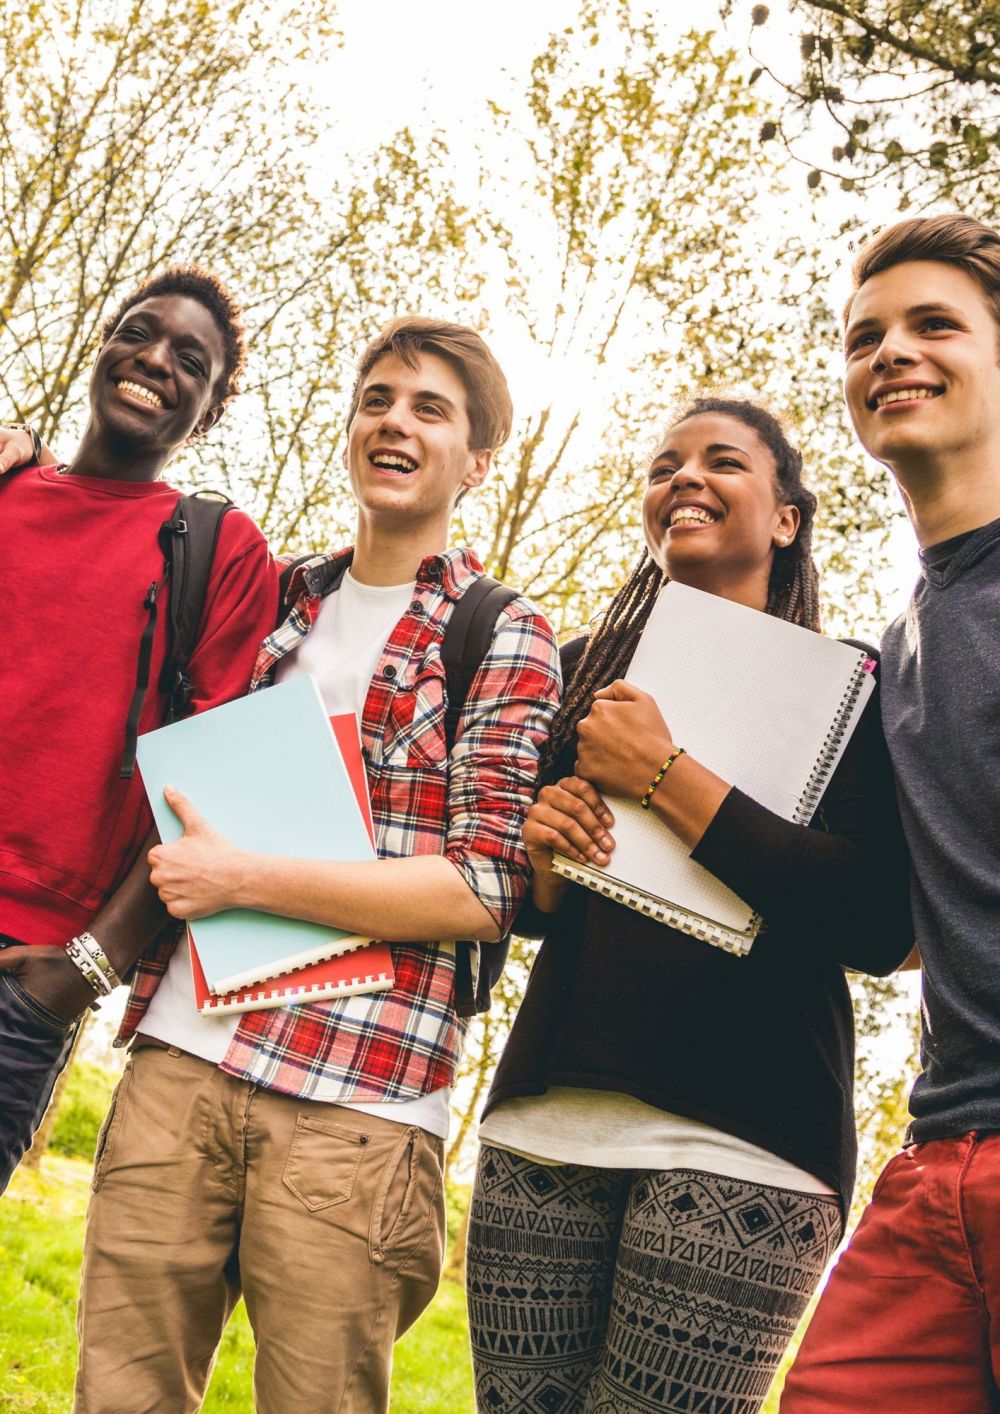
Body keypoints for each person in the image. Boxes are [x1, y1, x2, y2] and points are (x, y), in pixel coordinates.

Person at [73, 317, 562, 1413]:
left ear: (475, 462)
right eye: (378, 398)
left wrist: (248, 880)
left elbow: (483, 886)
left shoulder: (501, 632)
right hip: (180, 1067)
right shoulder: (269, 599)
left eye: (431, 409)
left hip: (356, 1107)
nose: (395, 420)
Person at [464, 397, 913, 1414]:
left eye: (721, 461)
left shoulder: (854, 691)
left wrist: (665, 773)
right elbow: (540, 909)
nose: (684, 478)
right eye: (664, 464)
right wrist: (545, 843)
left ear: (786, 517)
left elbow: (879, 921)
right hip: (549, 1115)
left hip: (746, 1136)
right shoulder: (582, 670)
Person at [780, 215, 1000, 1411]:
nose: (889, 353)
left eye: (932, 325)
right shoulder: (893, 645)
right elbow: (899, 924)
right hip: (939, 1156)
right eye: (863, 337)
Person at [0, 267, 277, 1193]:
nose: (154, 359)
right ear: (104, 347)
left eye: (189, 360)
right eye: (137, 331)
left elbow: (206, 785)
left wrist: (86, 968)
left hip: (21, 972)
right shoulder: (5, 489)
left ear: (208, 409)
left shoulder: (218, 549)